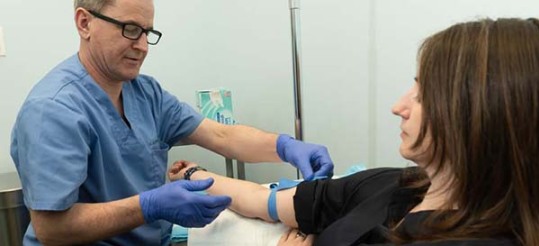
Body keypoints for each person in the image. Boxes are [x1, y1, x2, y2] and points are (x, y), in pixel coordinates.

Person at [168, 18, 539, 246]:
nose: (399, 106)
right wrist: (193, 175)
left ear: (475, 115)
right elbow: (261, 200)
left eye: (422, 94)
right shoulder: (394, 185)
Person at [9, 0, 334, 245]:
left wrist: (286, 147)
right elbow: (52, 228)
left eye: (148, 32)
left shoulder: (144, 92)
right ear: (84, 23)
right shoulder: (53, 110)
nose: (142, 45)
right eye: (131, 29)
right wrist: (149, 206)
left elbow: (221, 135)